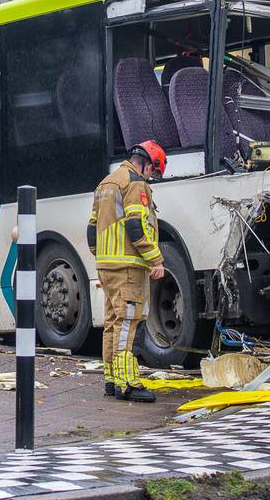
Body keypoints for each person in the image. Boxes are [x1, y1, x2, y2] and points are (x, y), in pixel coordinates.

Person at [86, 141, 168, 403]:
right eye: (152, 172)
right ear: (145, 163)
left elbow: (91, 230)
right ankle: (127, 384)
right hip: (128, 267)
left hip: (106, 265)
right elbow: (136, 226)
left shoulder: (105, 184)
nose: (150, 178)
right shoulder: (135, 183)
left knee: (112, 322)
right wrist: (155, 259)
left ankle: (111, 380)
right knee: (128, 324)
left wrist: (102, 256)